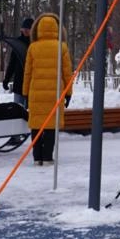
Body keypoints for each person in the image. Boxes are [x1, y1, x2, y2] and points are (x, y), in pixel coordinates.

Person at [22, 13, 72, 165]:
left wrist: (25, 93)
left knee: (36, 125)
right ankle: (48, 157)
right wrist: (68, 93)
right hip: (54, 93)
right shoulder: (62, 47)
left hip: (36, 92)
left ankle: (37, 157)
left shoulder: (33, 47)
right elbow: (67, 73)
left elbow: (27, 73)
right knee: (51, 125)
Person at [3, 17, 33, 107]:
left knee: (29, 111)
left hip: (31, 85)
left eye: (28, 29)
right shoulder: (18, 42)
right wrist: (6, 79)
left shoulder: (35, 43)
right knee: (17, 109)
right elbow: (12, 63)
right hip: (19, 83)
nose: (25, 31)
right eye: (24, 29)